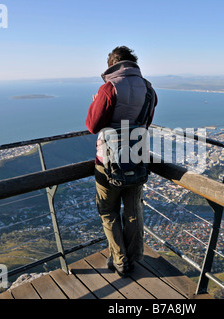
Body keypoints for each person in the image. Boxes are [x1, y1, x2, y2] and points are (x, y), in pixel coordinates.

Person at [85, 46, 157, 276]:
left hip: (107, 162)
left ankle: (119, 259)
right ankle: (135, 257)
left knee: (108, 211)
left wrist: (96, 101)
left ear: (111, 66)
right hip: (137, 158)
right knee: (134, 209)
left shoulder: (108, 88)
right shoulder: (148, 89)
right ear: (133, 64)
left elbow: (92, 126)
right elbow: (146, 123)